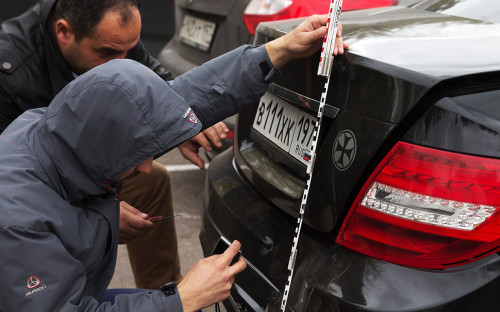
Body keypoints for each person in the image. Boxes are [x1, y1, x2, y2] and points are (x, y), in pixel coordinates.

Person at [0, 13, 346, 311]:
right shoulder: (19, 222)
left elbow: (173, 100)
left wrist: (276, 51)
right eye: (138, 153)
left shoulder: (59, 128)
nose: (147, 165)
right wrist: (180, 300)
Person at [0, 0, 231, 289]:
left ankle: (164, 291)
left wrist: (181, 120)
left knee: (151, 180)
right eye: (107, 53)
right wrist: (99, 217)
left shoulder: (114, 38)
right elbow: (10, 191)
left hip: (82, 165)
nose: (122, 64)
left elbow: (154, 83)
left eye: (129, 51)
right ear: (64, 32)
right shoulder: (9, 68)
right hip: (29, 196)